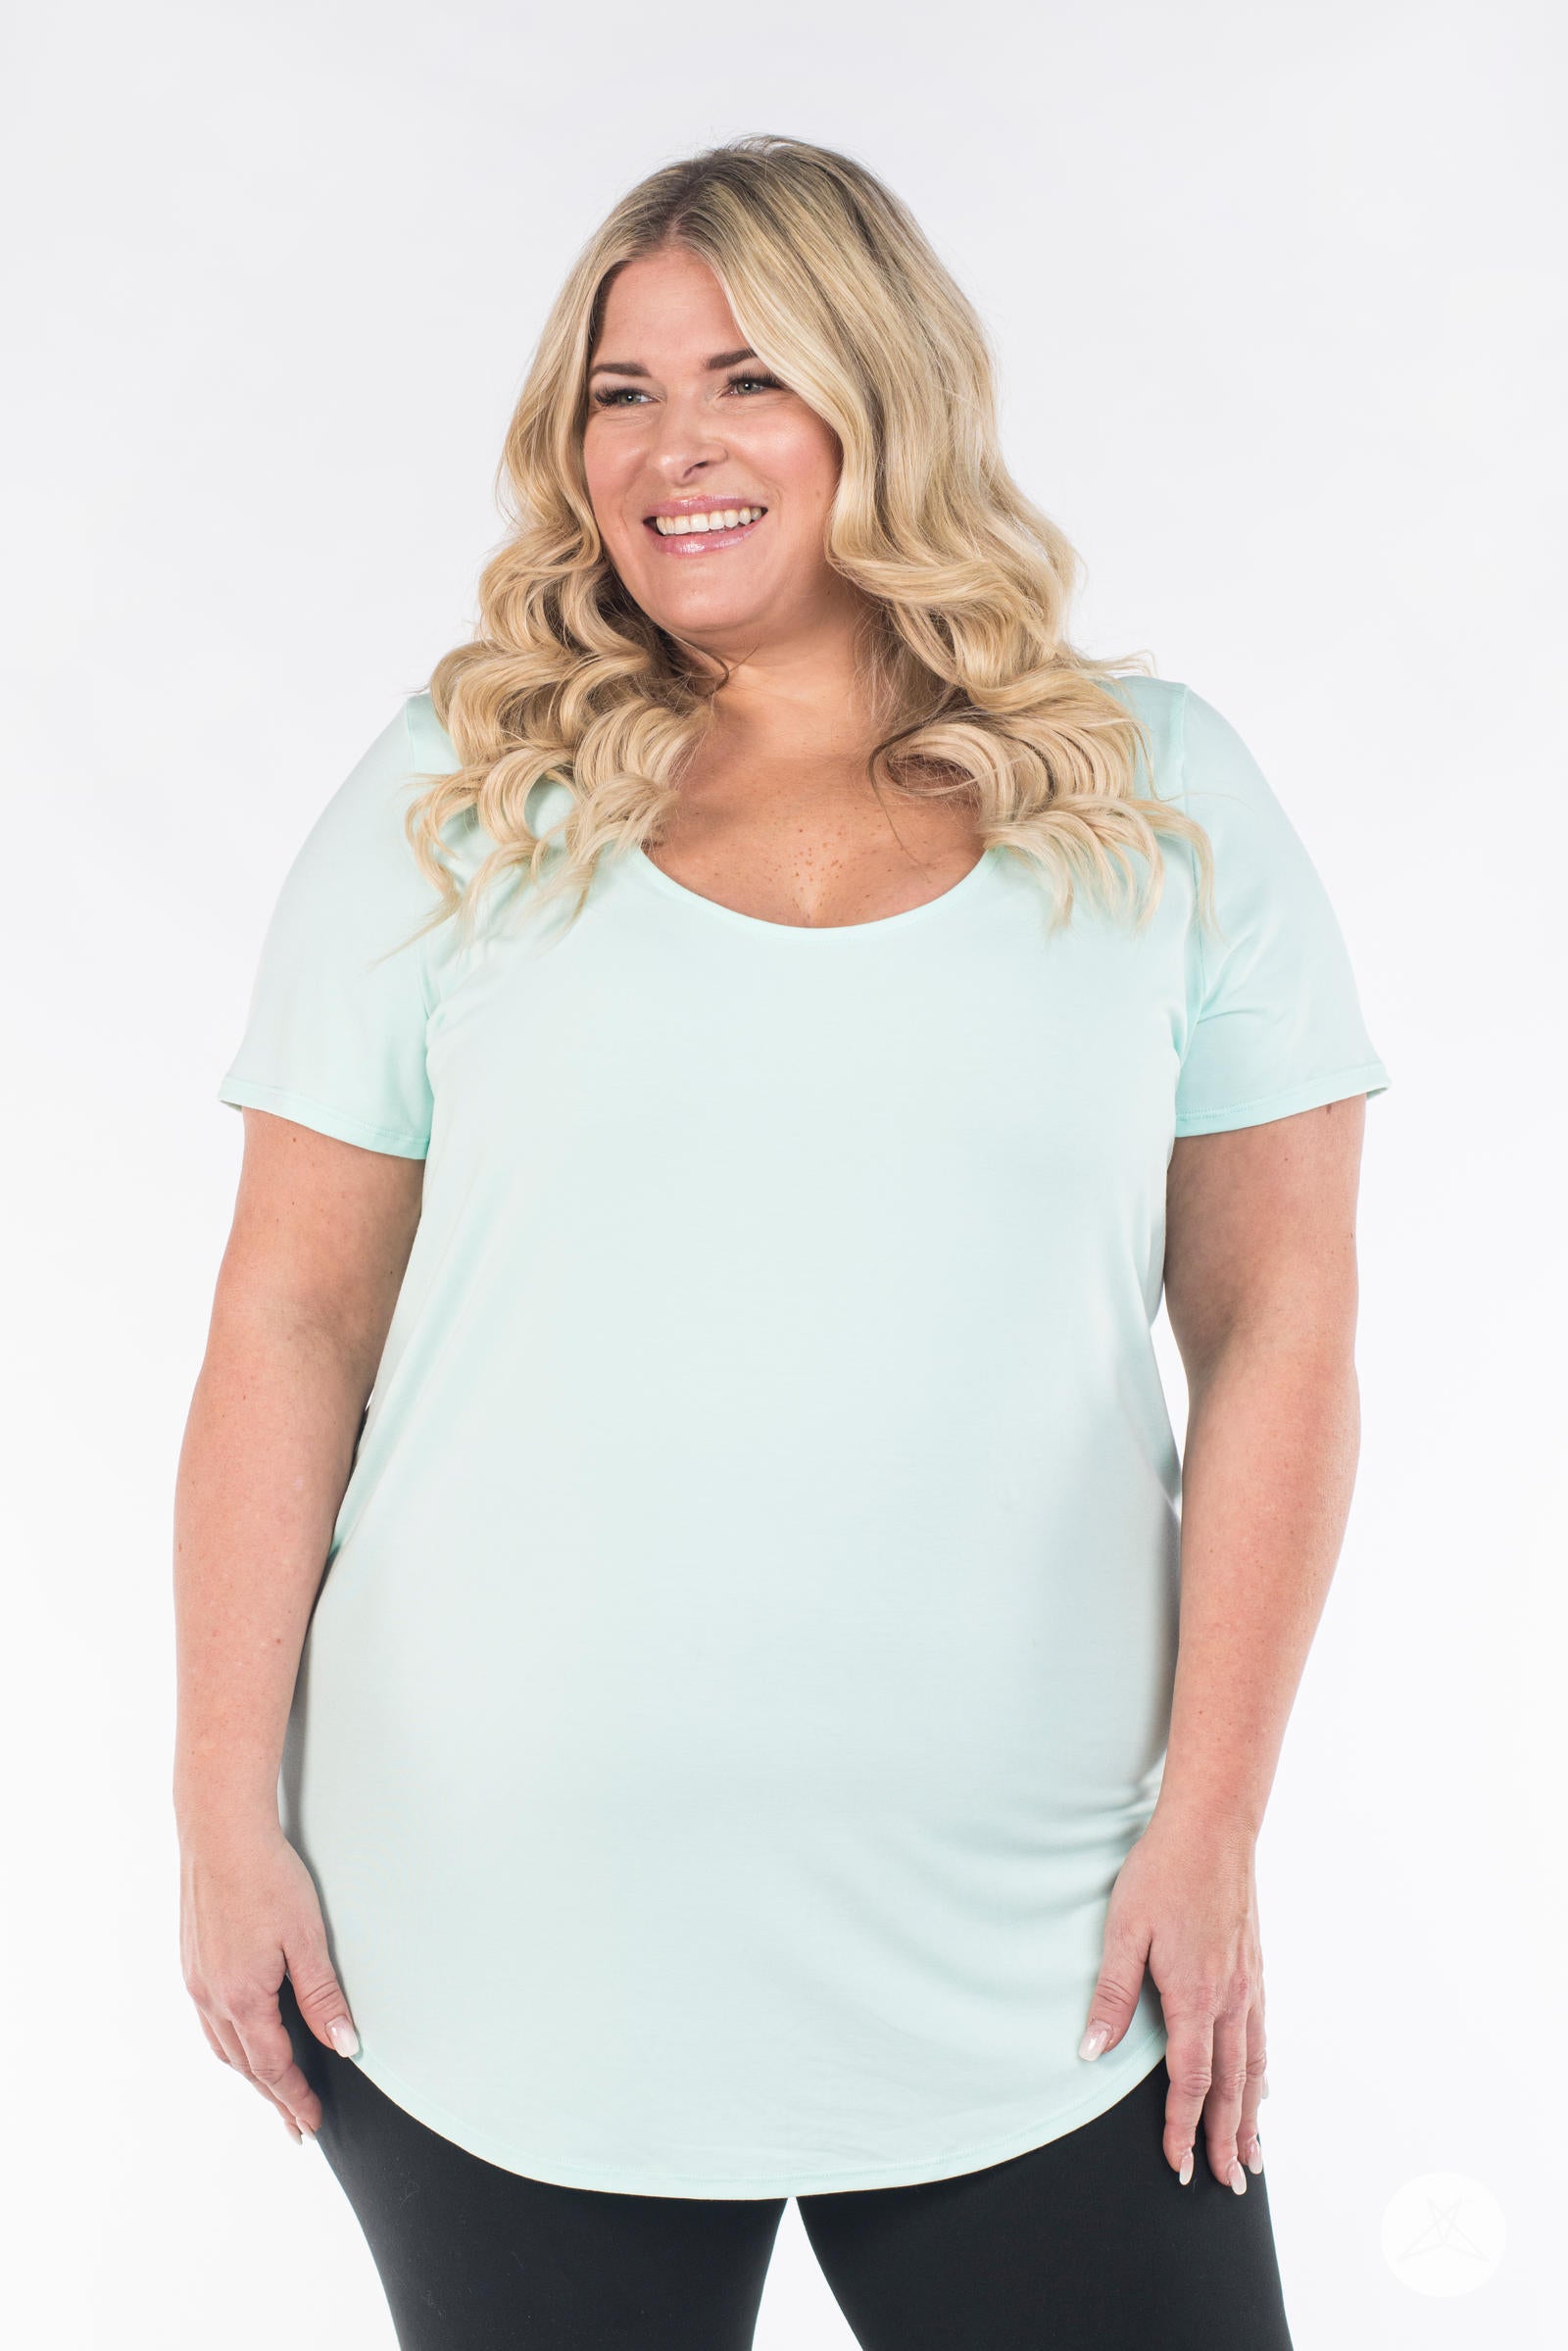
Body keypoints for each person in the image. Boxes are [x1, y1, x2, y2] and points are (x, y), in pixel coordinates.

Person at [173, 134, 1391, 2350]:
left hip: (1045, 1929)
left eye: (747, 377)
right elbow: (288, 1317)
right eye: (619, 392)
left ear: (884, 395)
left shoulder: (1159, 796)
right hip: (498, 1917)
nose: (675, 447)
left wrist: (1212, 1824)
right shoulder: (459, 796)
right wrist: (216, 1811)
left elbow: (1278, 1322)